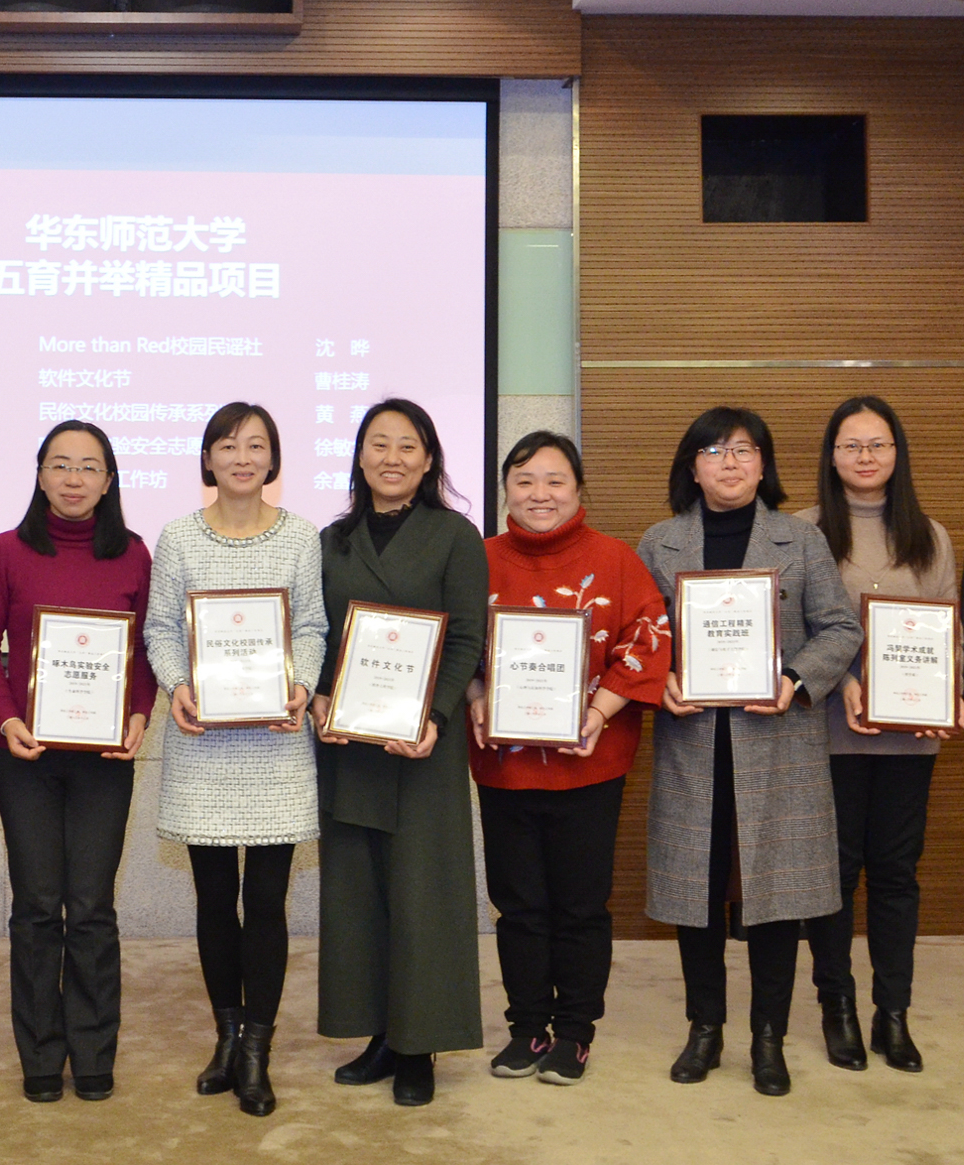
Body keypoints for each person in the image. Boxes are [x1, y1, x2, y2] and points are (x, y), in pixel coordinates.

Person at [638, 406, 860, 1097]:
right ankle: (704, 1028)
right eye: (713, 451)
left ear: (763, 465)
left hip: (778, 743)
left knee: (777, 894)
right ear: (692, 467)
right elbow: (640, 637)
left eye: (742, 450)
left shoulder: (801, 538)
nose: (728, 462)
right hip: (694, 742)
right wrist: (661, 678)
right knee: (696, 892)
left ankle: (770, 1037)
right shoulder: (660, 542)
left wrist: (794, 680)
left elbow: (839, 628)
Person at [464, 431, 669, 1086]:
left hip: (590, 762)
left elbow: (648, 638)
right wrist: (475, 694)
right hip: (505, 765)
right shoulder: (478, 559)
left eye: (555, 480)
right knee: (518, 904)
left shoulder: (615, 558)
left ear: (579, 490)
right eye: (524, 480)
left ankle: (576, 1031)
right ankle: (527, 1026)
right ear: (505, 490)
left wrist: (599, 712)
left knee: (581, 905)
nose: (540, 494)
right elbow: (457, 642)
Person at [0, 420, 158, 1104]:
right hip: (26, 755)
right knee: (38, 906)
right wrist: (6, 717)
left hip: (104, 758)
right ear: (41, 474)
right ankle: (41, 1054)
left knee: (93, 907)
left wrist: (139, 714)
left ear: (109, 481)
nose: (74, 478)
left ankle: (95, 1050)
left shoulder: (135, 555)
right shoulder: (5, 551)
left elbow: (145, 652)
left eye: (88, 466)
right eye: (60, 464)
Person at [144, 403, 326, 1117]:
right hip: (204, 743)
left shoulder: (301, 536)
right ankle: (225, 1036)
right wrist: (177, 685)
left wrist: (299, 686)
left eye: (255, 445)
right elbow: (162, 627)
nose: (242, 457)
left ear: (273, 458)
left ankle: (257, 1048)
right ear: (208, 458)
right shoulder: (178, 536)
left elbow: (311, 625)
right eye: (228, 445)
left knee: (268, 901)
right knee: (215, 899)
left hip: (277, 742)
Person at [310, 398, 488, 1107]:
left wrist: (435, 717)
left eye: (407, 445)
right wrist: (319, 698)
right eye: (378, 444)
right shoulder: (331, 540)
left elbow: (467, 636)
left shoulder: (456, 535)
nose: (392, 457)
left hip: (423, 746)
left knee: (424, 895)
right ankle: (381, 1034)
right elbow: (316, 634)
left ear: (429, 458)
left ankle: (421, 1045)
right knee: (358, 895)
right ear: (359, 457)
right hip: (351, 741)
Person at [795, 396, 959, 1074]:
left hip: (907, 736)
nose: (865, 456)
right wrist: (842, 682)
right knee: (833, 874)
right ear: (832, 454)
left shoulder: (930, 535)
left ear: (898, 453)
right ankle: (836, 1006)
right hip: (824, 731)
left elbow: (950, 629)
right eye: (851, 444)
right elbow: (792, 633)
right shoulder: (804, 531)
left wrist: (945, 693)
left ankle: (893, 1012)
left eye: (878, 443)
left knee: (895, 873)